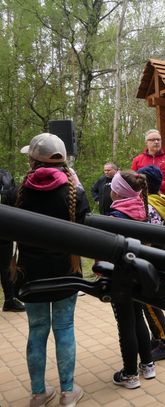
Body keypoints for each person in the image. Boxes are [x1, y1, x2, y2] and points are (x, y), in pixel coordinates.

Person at [15, 133, 89, 406]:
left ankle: (38, 393)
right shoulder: (74, 192)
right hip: (64, 270)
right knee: (64, 326)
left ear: (33, 162)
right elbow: (84, 229)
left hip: (29, 272)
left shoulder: (18, 191)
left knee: (37, 329)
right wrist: (78, 186)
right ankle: (68, 392)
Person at [108, 170, 156, 389]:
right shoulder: (141, 209)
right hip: (140, 276)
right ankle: (148, 365)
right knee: (138, 318)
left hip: (121, 277)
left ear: (117, 193)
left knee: (125, 323)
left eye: (112, 187)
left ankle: (130, 374)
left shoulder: (115, 217)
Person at [135, 165, 165, 361]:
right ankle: (157, 337)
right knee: (151, 301)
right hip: (164, 259)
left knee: (150, 302)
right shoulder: (163, 201)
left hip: (152, 261)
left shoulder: (148, 207)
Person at [131, 129, 165, 200]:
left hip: (164, 201)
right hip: (143, 201)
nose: (156, 142)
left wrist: (159, 184)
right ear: (146, 142)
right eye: (152, 140)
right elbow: (132, 180)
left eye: (158, 139)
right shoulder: (137, 160)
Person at [0, 168, 25, 312]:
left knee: (5, 267)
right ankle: (10, 299)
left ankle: (10, 299)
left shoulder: (5, 175)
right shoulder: (5, 175)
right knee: (5, 267)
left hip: (4, 231)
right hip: (4, 230)